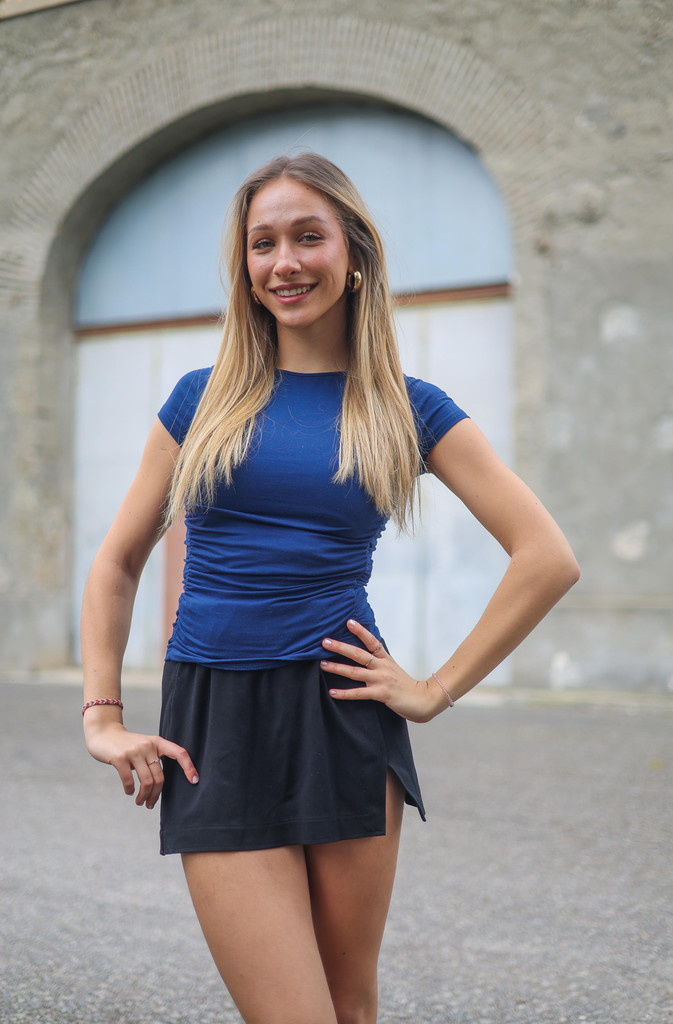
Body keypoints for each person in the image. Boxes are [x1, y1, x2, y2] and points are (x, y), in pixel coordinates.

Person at [81, 152, 580, 1024]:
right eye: (263, 243)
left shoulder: (406, 407)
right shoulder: (201, 400)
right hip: (212, 722)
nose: (285, 262)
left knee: (348, 1008)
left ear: (353, 253)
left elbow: (545, 555)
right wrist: (103, 715)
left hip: (341, 714)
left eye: (308, 237)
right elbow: (118, 562)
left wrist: (431, 690)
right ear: (244, 265)